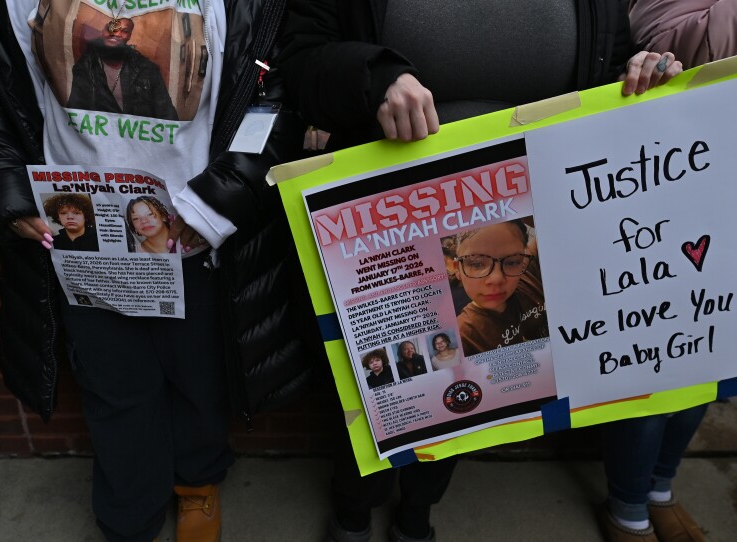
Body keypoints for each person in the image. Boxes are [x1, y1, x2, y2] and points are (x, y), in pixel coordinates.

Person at [278, 2, 681, 541]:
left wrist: (643, 71)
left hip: (523, 214)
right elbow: (298, 63)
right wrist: (374, 76)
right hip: (385, 228)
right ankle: (354, 508)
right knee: (375, 380)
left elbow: (608, 67)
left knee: (475, 379)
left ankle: (418, 510)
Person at [0, 1, 320, 541]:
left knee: (199, 376)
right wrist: (9, 196)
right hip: (83, 241)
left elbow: (269, 98)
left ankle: (198, 482)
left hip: (192, 234)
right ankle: (130, 507)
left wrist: (220, 204)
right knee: (113, 383)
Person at [627, 2, 737, 541]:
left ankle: (658, 486)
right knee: (662, 369)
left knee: (723, 372)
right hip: (722, 210)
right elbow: (675, 40)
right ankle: (628, 506)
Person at [453, 221, 548, 356]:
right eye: (477, 264)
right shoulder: (462, 337)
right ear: (458, 269)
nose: (496, 279)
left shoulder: (530, 274)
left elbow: (555, 221)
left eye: (512, 262)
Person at [67, 17, 179, 120]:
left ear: (129, 36)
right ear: (102, 31)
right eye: (111, 28)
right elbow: (75, 110)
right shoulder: (85, 68)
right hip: (100, 138)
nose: (116, 34)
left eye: (124, 31)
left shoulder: (147, 69)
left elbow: (167, 113)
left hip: (138, 139)